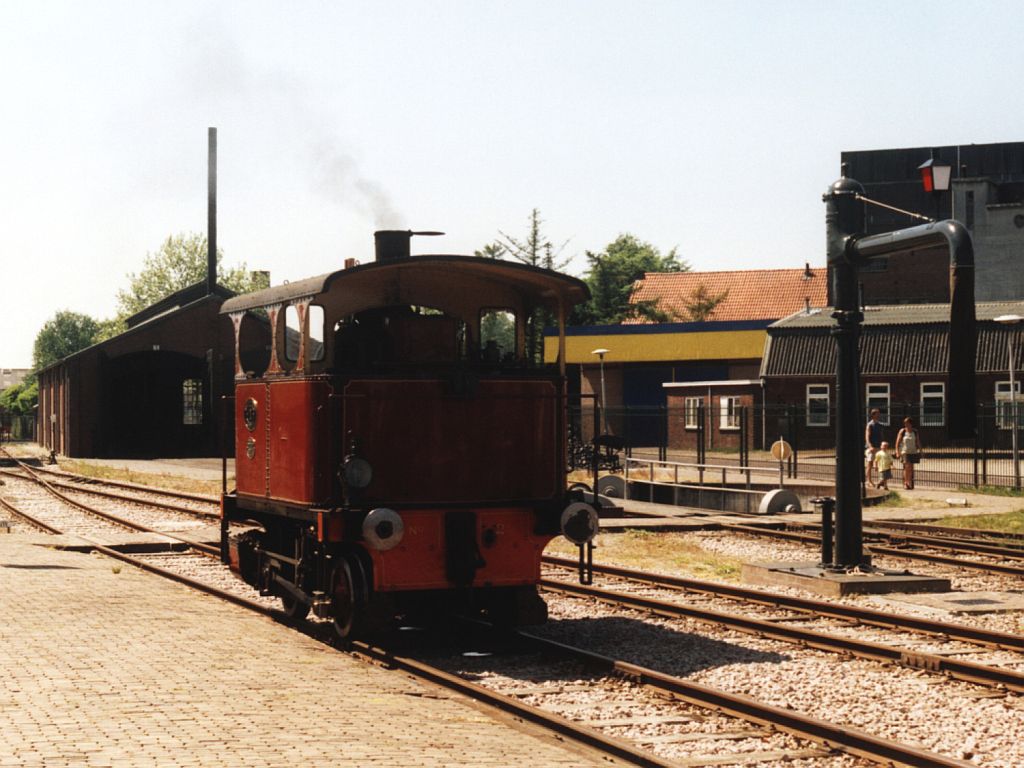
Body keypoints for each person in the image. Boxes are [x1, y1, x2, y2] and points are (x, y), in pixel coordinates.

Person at [895, 416, 921, 490]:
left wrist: (921, 451)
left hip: (913, 451)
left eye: (907, 423)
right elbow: (897, 442)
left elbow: (918, 442)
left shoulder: (915, 431)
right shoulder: (902, 431)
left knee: (911, 468)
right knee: (907, 467)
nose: (905, 424)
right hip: (905, 452)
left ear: (910, 423)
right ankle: (906, 483)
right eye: (905, 423)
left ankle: (909, 482)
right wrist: (897, 451)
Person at [864, 408, 884, 486]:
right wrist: (870, 446)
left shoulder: (880, 425)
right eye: (877, 413)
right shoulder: (870, 424)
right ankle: (868, 480)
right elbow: (867, 436)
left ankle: (881, 480)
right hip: (871, 447)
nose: (879, 415)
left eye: (879, 413)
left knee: (880, 464)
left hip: (878, 447)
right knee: (870, 464)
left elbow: (881, 436)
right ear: (873, 415)